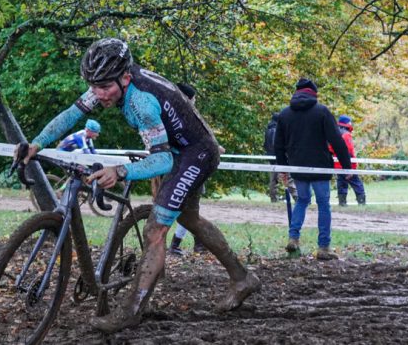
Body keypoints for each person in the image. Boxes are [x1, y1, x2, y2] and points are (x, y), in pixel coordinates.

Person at [19, 38, 260, 332]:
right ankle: (242, 277)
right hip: (180, 148)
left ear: (125, 78)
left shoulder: (141, 102)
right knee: (189, 218)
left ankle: (131, 311)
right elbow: (72, 113)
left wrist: (120, 171)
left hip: (193, 154)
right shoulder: (110, 82)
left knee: (155, 230)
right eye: (93, 86)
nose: (98, 95)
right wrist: (37, 143)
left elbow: (163, 162)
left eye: (104, 88)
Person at [274, 78, 352, 261]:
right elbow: (337, 140)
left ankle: (293, 237)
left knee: (301, 200)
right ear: (314, 93)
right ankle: (323, 247)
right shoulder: (321, 111)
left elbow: (278, 145)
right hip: (320, 167)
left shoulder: (285, 114)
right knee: (323, 204)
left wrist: (283, 168)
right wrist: (346, 166)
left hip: (297, 166)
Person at [169, 83, 206, 256]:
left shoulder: (171, 115)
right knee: (189, 210)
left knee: (188, 209)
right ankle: (183, 244)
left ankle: (190, 243)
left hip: (183, 167)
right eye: (194, 98)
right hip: (189, 168)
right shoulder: (186, 118)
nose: (195, 101)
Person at [329, 115, 366, 206]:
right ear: (346, 123)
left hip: (337, 165)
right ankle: (361, 203)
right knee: (357, 183)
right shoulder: (346, 134)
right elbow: (348, 150)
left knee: (341, 183)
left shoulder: (335, 133)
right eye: (350, 122)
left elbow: (330, 149)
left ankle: (342, 203)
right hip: (347, 165)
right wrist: (352, 165)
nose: (351, 123)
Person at [264, 113, 297, 202]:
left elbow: (265, 145)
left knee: (273, 180)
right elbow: (277, 145)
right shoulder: (276, 130)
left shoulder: (268, 130)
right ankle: (296, 197)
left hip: (271, 157)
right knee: (288, 178)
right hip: (278, 157)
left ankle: (273, 198)